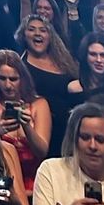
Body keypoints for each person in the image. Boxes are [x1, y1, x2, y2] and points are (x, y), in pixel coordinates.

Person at [32, 102, 104, 205]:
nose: (92, 146)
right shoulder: (51, 169)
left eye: (100, 140)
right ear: (75, 139)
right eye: (85, 137)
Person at [0, 49, 51, 195]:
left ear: (22, 79)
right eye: (2, 78)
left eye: (13, 79)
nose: (8, 85)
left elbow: (42, 152)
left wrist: (26, 125)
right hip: (1, 186)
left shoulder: (39, 105)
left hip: (34, 187)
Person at [15, 13, 77, 157]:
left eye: (43, 30)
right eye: (32, 29)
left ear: (50, 36)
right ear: (24, 35)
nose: (37, 33)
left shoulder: (64, 61)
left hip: (68, 131)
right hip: (40, 133)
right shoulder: (20, 65)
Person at [68, 32, 104, 104]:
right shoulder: (74, 88)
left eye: (103, 55)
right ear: (85, 56)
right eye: (93, 54)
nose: (98, 60)